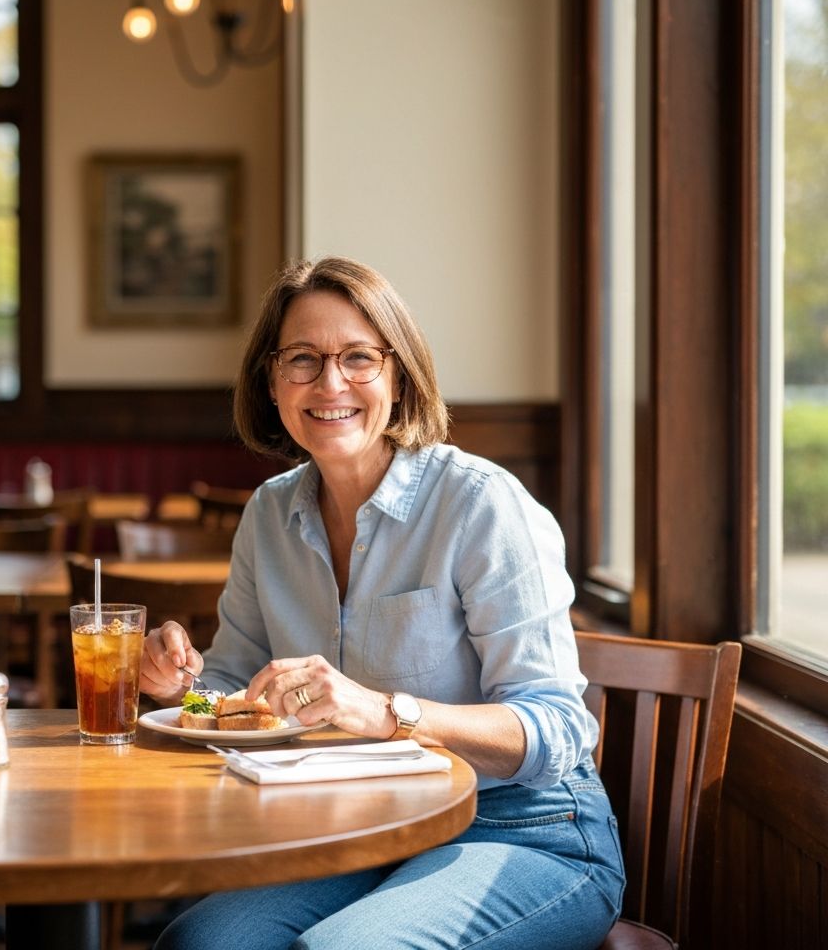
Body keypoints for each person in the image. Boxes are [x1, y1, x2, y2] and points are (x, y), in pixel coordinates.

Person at [139, 256, 626, 950]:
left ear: (398, 378)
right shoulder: (268, 516)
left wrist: (387, 711)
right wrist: (175, 690)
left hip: (525, 832)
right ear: (270, 381)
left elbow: (556, 729)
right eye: (302, 359)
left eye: (359, 358)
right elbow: (224, 697)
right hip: (355, 833)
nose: (330, 382)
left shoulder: (480, 504)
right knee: (200, 945)